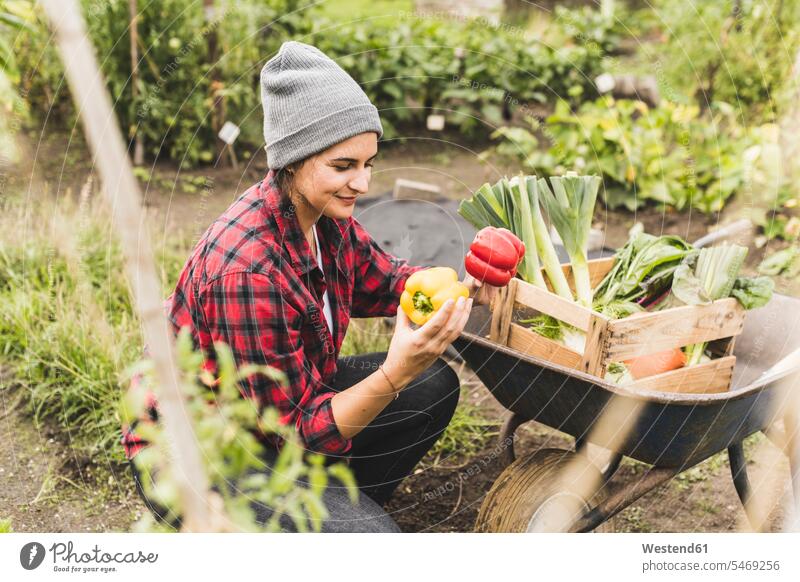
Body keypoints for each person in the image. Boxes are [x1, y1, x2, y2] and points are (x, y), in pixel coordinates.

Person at [121, 41, 491, 532]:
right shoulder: (250, 271)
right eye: (344, 166)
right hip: (207, 450)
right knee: (376, 540)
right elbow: (295, 433)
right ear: (293, 160)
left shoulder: (323, 217)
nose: (361, 183)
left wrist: (468, 286)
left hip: (274, 414)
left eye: (368, 164)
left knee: (433, 384)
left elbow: (387, 281)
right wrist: (396, 369)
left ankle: (336, 512)